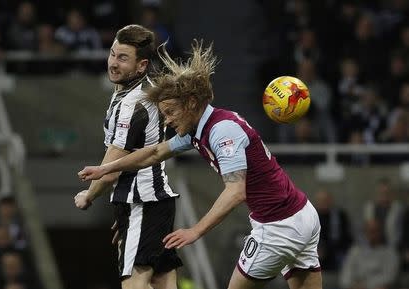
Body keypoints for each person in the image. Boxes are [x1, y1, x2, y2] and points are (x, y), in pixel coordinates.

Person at [78, 41, 322, 289]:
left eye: (171, 111)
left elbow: (236, 192)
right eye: (164, 114)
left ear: (192, 103)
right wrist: (106, 168)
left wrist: (195, 231)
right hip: (303, 214)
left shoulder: (222, 131)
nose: (168, 120)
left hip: (277, 226)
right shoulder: (198, 129)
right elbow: (154, 153)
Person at [73, 24, 182, 289]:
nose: (113, 63)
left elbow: (112, 165)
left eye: (123, 58)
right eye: (112, 54)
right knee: (161, 281)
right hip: (150, 202)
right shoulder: (132, 90)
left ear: (142, 65)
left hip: (142, 202)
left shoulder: (132, 103)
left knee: (134, 283)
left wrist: (88, 196)